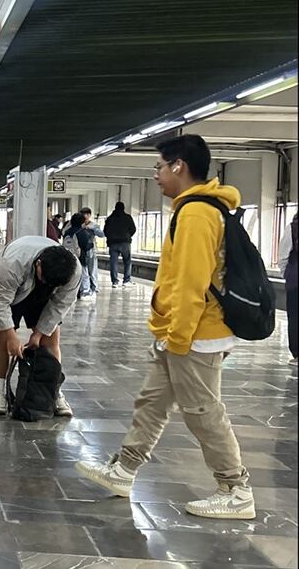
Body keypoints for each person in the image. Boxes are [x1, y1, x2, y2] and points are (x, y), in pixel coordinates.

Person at [78, 134, 255, 520]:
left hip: (195, 336)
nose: (156, 175)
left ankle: (235, 489)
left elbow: (192, 284)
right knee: (153, 402)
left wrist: (177, 339)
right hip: (177, 331)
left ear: (179, 166)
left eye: (159, 167)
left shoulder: (196, 214)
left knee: (203, 411)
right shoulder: (193, 209)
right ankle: (124, 470)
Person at [0, 237, 81, 416]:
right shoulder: (12, 263)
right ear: (38, 264)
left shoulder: (73, 271)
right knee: (0, 338)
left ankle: (53, 391)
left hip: (44, 295)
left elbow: (60, 305)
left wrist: (38, 334)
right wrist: (11, 336)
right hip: (8, 289)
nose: (47, 283)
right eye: (45, 279)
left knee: (51, 340)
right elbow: (0, 301)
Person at [104, 202, 137, 288]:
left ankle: (115, 282)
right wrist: (127, 236)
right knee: (127, 262)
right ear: (123, 208)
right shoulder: (128, 217)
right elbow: (133, 229)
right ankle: (126, 280)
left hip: (113, 244)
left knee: (113, 263)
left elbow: (105, 231)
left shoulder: (110, 218)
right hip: (125, 243)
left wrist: (111, 238)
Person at [280, 212, 298, 365]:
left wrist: (288, 275)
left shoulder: (293, 229)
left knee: (295, 317)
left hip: (295, 282)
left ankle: (297, 354)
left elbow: (283, 257)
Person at [62, 213, 93, 300]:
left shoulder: (67, 232)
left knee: (71, 275)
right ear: (82, 222)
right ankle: (85, 292)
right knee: (84, 274)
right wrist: (91, 245)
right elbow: (85, 246)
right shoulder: (81, 232)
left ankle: (73, 293)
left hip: (68, 257)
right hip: (80, 257)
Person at [79, 207, 104, 294]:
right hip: (81, 250)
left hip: (91, 250)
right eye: (82, 214)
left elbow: (102, 234)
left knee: (92, 269)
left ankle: (94, 287)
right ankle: (85, 287)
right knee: (83, 269)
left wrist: (92, 229)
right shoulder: (79, 225)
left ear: (89, 215)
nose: (84, 216)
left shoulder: (94, 225)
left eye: (86, 214)